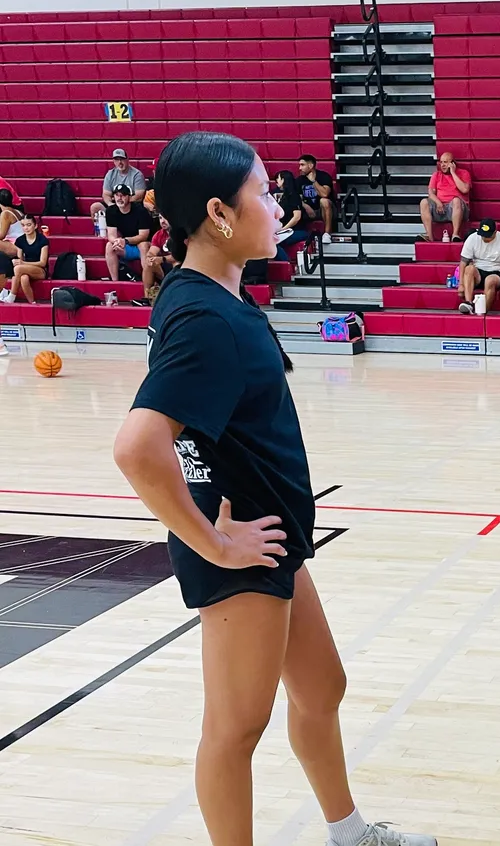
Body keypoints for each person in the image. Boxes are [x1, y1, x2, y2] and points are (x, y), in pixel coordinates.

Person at [112, 131, 436, 846]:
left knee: (322, 688)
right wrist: (215, 543)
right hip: (243, 548)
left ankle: (348, 832)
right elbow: (137, 447)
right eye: (262, 190)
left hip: (270, 535)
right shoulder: (204, 317)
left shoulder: (208, 294)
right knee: (234, 731)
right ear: (220, 214)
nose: (278, 201)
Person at [456, 218, 500, 314]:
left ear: (495, 232)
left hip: (497, 272)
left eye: (488, 236)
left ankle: (482, 310)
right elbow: (463, 262)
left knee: (490, 280)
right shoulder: (472, 238)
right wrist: (461, 284)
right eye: (483, 236)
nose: (485, 238)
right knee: (469, 269)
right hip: (478, 270)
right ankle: (469, 303)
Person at [104, 185, 155, 282]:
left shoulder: (140, 210)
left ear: (130, 197)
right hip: (126, 246)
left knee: (143, 245)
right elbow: (111, 234)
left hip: (144, 246)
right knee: (109, 246)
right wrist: (117, 241)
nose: (119, 198)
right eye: (117, 195)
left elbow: (144, 235)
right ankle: (115, 281)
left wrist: (126, 241)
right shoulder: (111, 211)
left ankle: (148, 282)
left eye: (123, 195)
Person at [420, 152, 471, 243]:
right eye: (441, 162)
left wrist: (453, 173)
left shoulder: (464, 173)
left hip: (458, 209)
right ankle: (429, 236)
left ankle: (455, 235)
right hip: (440, 208)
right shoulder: (436, 175)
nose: (442, 165)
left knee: (456, 200)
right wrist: (438, 202)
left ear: (452, 163)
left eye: (445, 162)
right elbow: (431, 193)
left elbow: (464, 190)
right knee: (424, 202)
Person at [2, 214, 50, 304]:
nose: (26, 228)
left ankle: (12, 295)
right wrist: (16, 261)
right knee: (24, 278)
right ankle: (32, 303)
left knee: (18, 268)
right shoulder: (20, 240)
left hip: (41, 270)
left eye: (29, 225)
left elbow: (43, 263)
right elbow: (20, 259)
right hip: (25, 269)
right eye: (23, 225)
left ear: (35, 226)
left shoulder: (42, 240)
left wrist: (22, 263)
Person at [91, 148, 147, 218]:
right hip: (114, 204)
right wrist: (111, 205)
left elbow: (139, 196)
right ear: (113, 161)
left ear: (127, 159)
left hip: (130, 205)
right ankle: (102, 229)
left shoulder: (137, 175)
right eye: (116, 160)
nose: (119, 162)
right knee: (95, 207)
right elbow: (106, 194)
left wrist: (122, 203)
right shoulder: (110, 174)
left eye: (122, 159)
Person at [298, 154, 336, 245]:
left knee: (324, 201)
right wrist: (306, 206)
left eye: (302, 165)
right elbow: (297, 197)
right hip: (309, 210)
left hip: (325, 209)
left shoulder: (323, 176)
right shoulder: (299, 180)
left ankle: (327, 234)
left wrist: (314, 181)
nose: (299, 168)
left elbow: (325, 194)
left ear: (311, 166)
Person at [141, 212, 177, 304]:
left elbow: (179, 256)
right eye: (160, 218)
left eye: (165, 218)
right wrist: (150, 258)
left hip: (178, 266)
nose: (162, 221)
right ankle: (147, 298)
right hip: (163, 268)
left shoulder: (180, 234)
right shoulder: (159, 234)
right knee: (149, 263)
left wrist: (162, 259)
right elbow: (152, 252)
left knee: (177, 263)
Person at [274, 171, 308, 262]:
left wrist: (283, 229)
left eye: (278, 178)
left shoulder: (293, 196)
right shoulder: (283, 196)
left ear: (284, 180)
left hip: (297, 230)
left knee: (274, 242)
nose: (276, 181)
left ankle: (287, 265)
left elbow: (297, 217)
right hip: (286, 231)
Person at [0, 190, 25, 300]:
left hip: (16, 247)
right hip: (19, 245)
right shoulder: (18, 212)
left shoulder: (5, 214)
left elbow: (1, 235)